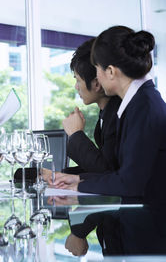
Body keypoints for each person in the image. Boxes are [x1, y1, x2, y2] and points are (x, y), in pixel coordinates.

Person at [51, 26, 166, 200]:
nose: (97, 76)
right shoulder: (139, 103)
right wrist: (77, 179)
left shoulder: (143, 107)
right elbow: (121, 172)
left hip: (150, 220)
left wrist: (80, 186)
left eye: (97, 68)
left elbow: (130, 183)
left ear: (111, 71)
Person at [44, 39, 121, 179]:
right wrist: (59, 175)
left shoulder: (119, 113)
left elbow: (106, 171)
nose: (76, 86)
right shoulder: (107, 112)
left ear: (96, 83)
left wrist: (75, 133)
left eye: (78, 80)